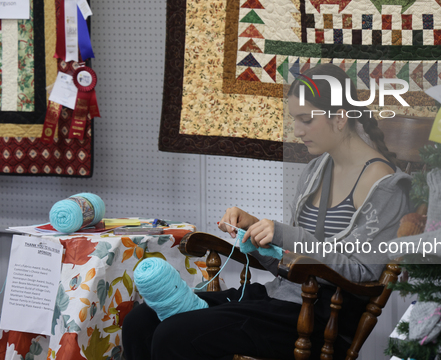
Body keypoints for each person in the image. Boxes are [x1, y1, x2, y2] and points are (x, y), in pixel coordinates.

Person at [122, 64, 413, 360]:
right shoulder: (317, 170)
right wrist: (254, 234)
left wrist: (285, 233)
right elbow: (292, 266)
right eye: (294, 120)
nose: (297, 131)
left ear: (339, 118)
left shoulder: (384, 185)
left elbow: (362, 273)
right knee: (142, 321)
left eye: (306, 120)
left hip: (318, 321)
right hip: (279, 301)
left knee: (175, 334)